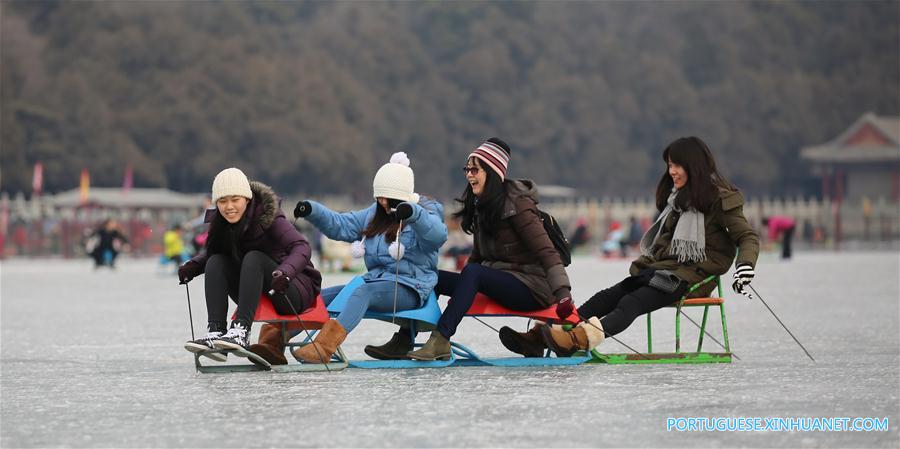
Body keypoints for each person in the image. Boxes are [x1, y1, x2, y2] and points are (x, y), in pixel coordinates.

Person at [502, 136, 759, 357]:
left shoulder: (721, 200)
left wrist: (744, 266)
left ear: (695, 166)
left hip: (693, 278)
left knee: (631, 303)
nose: (672, 171)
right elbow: (665, 245)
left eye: (678, 165)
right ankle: (542, 336)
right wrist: (646, 266)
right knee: (606, 297)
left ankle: (577, 340)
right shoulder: (679, 201)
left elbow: (747, 237)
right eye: (670, 165)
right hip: (662, 272)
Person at [397, 137, 573, 361]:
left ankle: (440, 339)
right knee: (432, 277)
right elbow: (478, 258)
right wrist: (463, 289)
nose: (469, 174)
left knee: (472, 273)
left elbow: (546, 252)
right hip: (502, 280)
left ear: (492, 172)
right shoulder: (483, 205)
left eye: (475, 169)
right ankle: (405, 338)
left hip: (533, 288)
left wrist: (563, 294)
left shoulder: (519, 205)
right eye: (467, 169)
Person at [266, 152, 448, 364]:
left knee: (363, 291)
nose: (381, 202)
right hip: (376, 281)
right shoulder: (375, 213)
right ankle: (273, 341)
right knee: (318, 296)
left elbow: (437, 236)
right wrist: (313, 210)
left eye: (386, 197)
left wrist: (414, 214)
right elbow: (342, 225)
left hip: (410, 287)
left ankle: (324, 347)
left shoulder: (425, 213)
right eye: (378, 196)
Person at [178, 168, 322, 364]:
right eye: (222, 201)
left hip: (291, 289)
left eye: (235, 199)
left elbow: (302, 246)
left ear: (246, 198)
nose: (229, 207)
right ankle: (216, 331)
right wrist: (193, 266)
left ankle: (241, 331)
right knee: (216, 260)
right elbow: (213, 254)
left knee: (254, 257)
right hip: (255, 288)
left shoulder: (269, 216)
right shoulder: (220, 224)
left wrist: (285, 274)